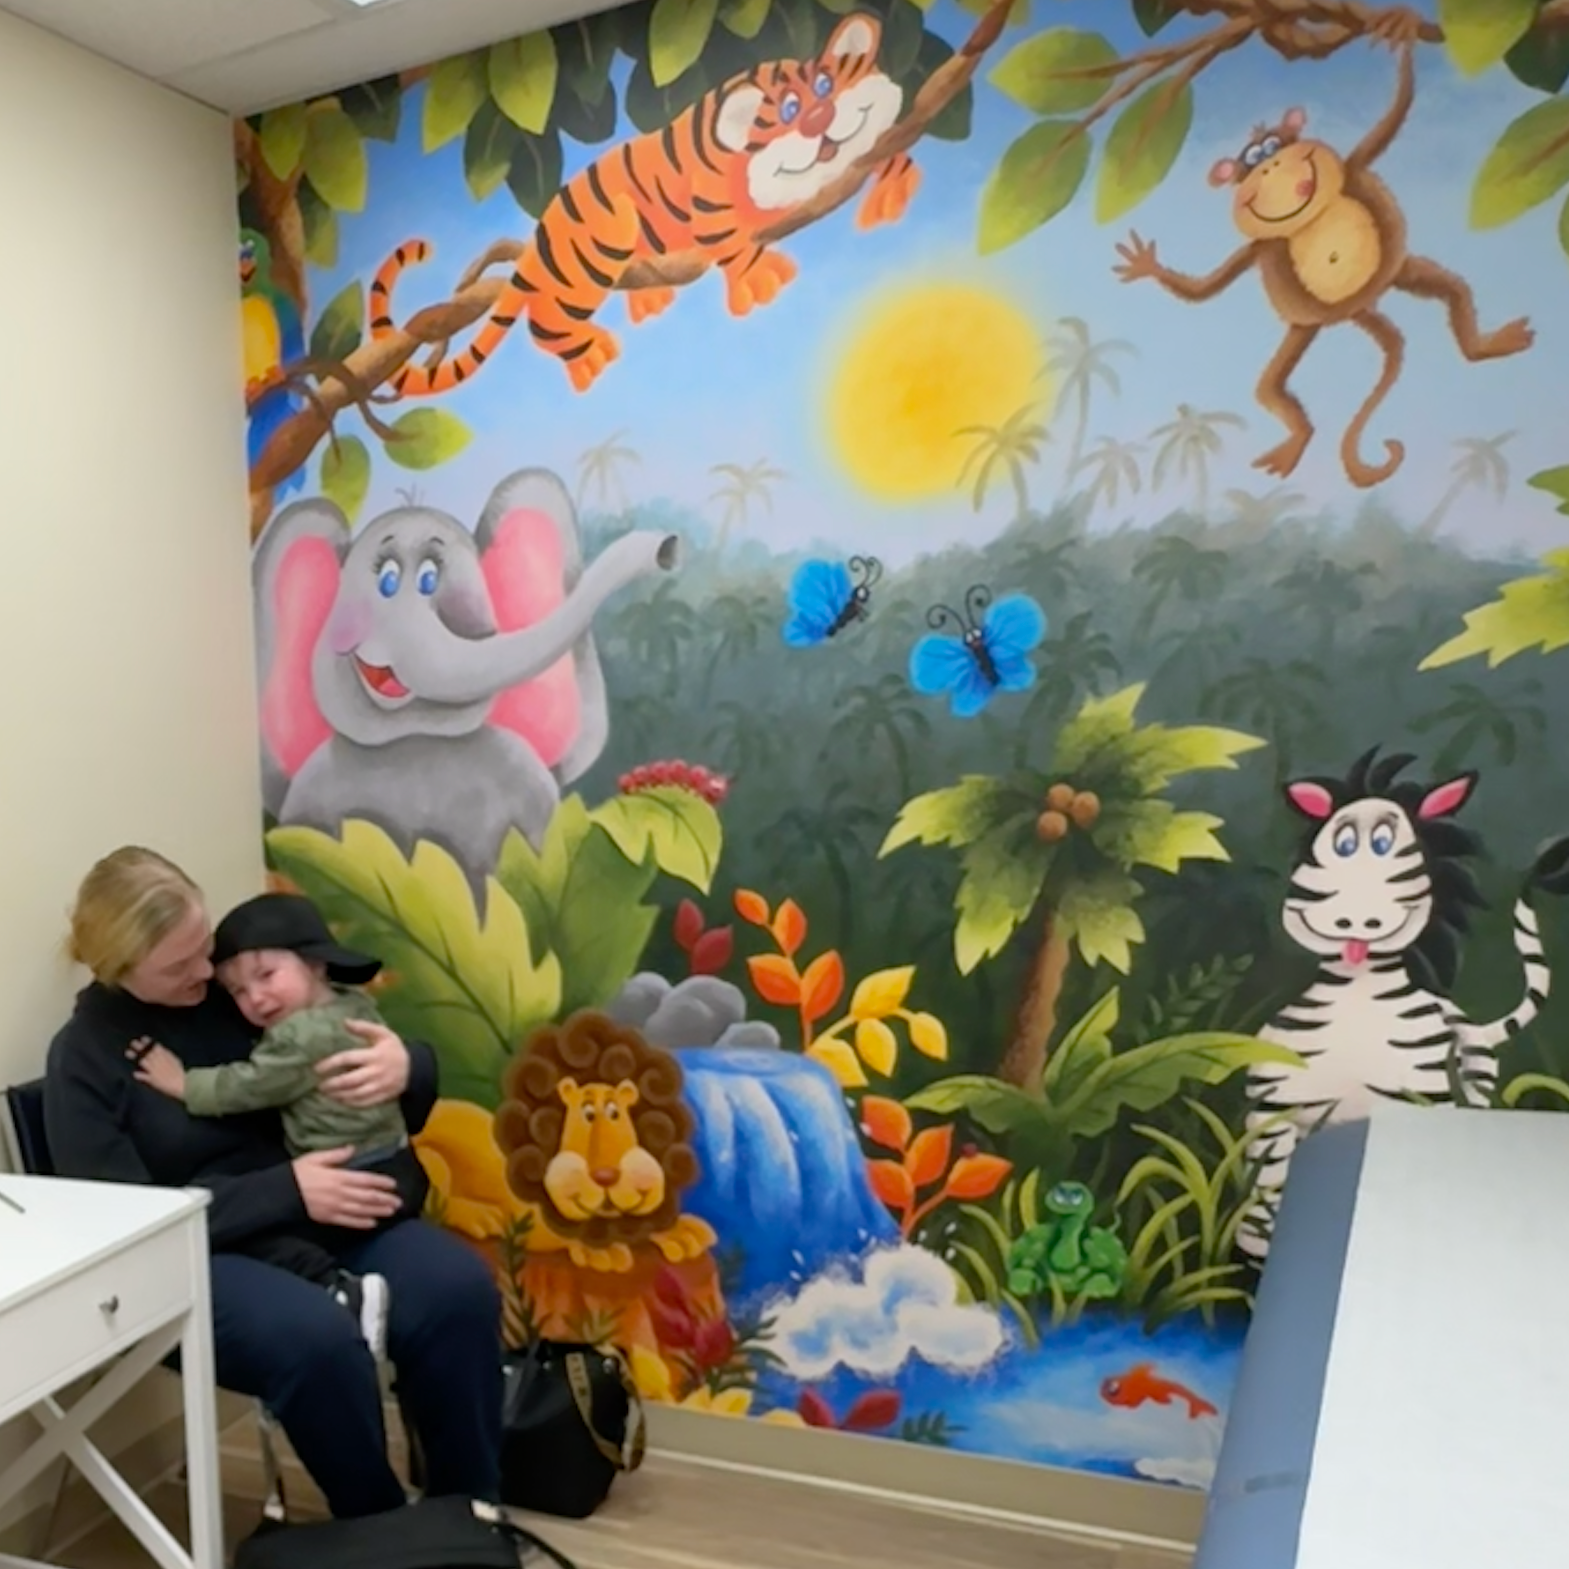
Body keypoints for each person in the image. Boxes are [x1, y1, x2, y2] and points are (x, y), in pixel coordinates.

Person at [44, 847, 503, 1520]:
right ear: (118, 967)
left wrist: (410, 1065)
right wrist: (285, 1191)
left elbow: (344, 1062)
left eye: (205, 947)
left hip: (320, 1216)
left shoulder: (233, 1000)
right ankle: (383, 1533)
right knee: (319, 1339)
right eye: (180, 963)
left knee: (454, 1289)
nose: (208, 972)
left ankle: (468, 1514)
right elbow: (123, 1222)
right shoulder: (83, 1057)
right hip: (207, 1251)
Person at [132, 891, 429, 1361]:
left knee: (257, 1233)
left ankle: (339, 1290)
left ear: (315, 964)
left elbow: (247, 1085)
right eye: (238, 991)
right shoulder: (354, 1006)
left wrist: (182, 1084)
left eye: (266, 976)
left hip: (356, 1176)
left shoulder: (298, 1036)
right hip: (398, 1165)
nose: (256, 998)